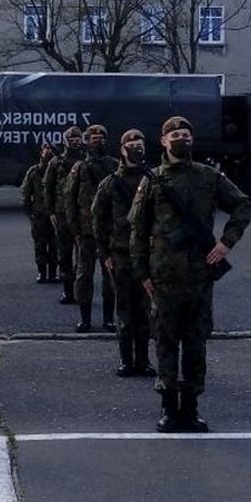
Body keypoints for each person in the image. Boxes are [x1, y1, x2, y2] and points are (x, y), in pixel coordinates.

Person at [130, 116, 251, 433]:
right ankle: (169, 408)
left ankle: (192, 408)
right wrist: (141, 271)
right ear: (163, 140)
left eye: (186, 134)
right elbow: (137, 231)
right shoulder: (152, 180)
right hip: (163, 277)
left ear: (192, 141)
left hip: (200, 276)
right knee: (166, 342)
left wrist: (226, 243)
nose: (181, 139)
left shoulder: (208, 177)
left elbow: (241, 206)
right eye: (175, 135)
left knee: (196, 343)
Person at [93, 129, 154, 376]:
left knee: (145, 309)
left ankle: (143, 360)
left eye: (140, 144)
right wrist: (104, 254)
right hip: (120, 254)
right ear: (122, 149)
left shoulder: (154, 180)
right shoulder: (110, 184)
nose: (136, 148)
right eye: (132, 144)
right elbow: (98, 220)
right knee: (125, 309)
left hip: (148, 254)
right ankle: (126, 360)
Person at [66, 124, 119, 332]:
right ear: (86, 142)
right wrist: (74, 230)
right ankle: (85, 318)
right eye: (94, 138)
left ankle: (108, 318)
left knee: (110, 276)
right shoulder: (79, 168)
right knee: (84, 275)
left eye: (102, 138)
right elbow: (70, 200)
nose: (99, 141)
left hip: (109, 231)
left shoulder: (115, 165)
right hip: (86, 232)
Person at [43, 126, 85, 304]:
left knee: (83, 256)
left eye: (78, 139)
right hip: (61, 215)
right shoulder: (56, 162)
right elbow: (48, 188)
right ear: (65, 141)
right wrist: (51, 211)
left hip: (83, 214)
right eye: (71, 140)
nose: (75, 142)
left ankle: (81, 291)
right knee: (65, 255)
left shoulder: (86, 160)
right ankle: (68, 292)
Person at [20, 143, 58, 283]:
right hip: (39, 215)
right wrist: (30, 213)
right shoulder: (34, 171)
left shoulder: (58, 169)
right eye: (45, 149)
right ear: (41, 152)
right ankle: (42, 273)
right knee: (40, 245)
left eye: (51, 149)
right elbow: (25, 193)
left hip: (54, 214)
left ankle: (53, 273)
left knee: (55, 245)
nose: (48, 152)